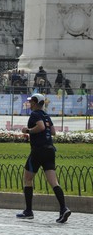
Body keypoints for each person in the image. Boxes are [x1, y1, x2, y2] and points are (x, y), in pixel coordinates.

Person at [16, 93, 70, 223]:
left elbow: (41, 127)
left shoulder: (35, 114)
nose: (29, 104)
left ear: (35, 103)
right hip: (50, 150)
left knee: (28, 179)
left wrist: (27, 131)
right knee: (53, 182)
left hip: (38, 151)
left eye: (31, 102)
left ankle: (28, 211)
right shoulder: (46, 115)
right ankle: (63, 208)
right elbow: (52, 132)